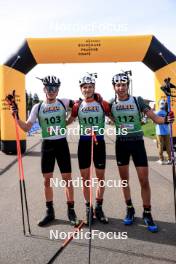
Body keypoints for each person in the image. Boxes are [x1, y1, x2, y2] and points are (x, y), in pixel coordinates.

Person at [8, 75, 79, 227]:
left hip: (61, 144)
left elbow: (80, 106)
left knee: (67, 179)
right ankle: (50, 211)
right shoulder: (37, 107)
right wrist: (16, 116)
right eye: (48, 88)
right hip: (47, 145)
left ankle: (71, 210)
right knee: (47, 180)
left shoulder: (64, 102)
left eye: (54, 88)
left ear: (58, 90)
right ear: (44, 89)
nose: (51, 91)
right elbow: (27, 127)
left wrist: (69, 120)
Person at [110, 71, 174, 232]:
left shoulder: (137, 100)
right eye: (118, 85)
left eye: (124, 84)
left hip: (137, 143)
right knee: (124, 180)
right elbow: (105, 115)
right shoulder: (110, 103)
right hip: (121, 144)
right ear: (114, 87)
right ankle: (130, 209)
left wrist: (167, 119)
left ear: (127, 85)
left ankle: (147, 212)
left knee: (143, 180)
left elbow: (156, 118)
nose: (121, 87)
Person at [67, 73, 110, 224]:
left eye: (90, 87)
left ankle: (99, 206)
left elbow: (114, 117)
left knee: (100, 178)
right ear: (81, 89)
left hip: (99, 142)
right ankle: (88, 207)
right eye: (85, 87)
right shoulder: (77, 106)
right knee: (85, 178)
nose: (87, 89)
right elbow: (68, 121)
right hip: (84, 144)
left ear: (94, 88)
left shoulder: (102, 103)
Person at [155, 99, 171, 165]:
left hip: (159, 132)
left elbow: (153, 122)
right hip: (167, 131)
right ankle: (169, 159)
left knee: (160, 146)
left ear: (159, 105)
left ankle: (161, 159)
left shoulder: (156, 113)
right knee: (168, 146)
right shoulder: (167, 112)